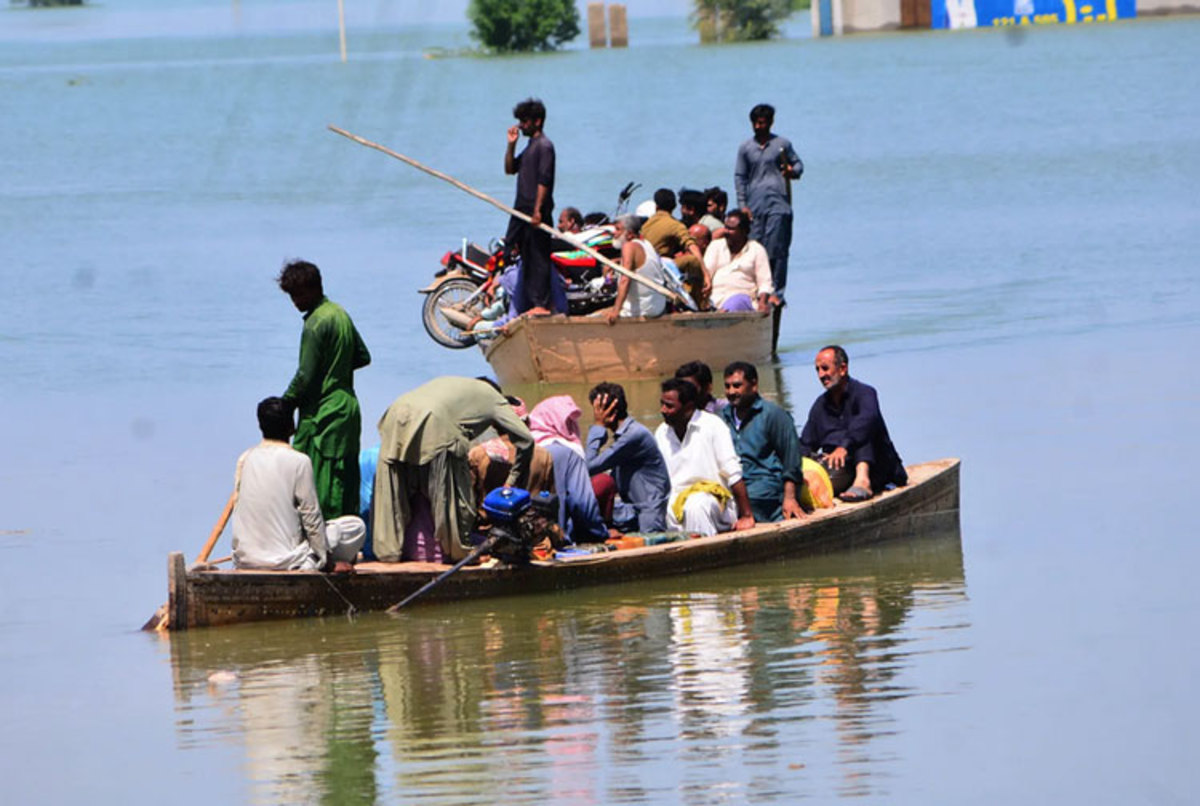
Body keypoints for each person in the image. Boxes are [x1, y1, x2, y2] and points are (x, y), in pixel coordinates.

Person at [373, 377, 535, 562]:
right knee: (456, 495)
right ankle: (461, 554)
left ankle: (389, 552)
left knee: (394, 489)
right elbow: (526, 441)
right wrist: (512, 481)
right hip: (435, 419)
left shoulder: (462, 388)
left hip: (396, 411)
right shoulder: (495, 399)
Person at [277, 259, 371, 520]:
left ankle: (326, 543)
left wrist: (285, 404)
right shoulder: (340, 313)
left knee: (320, 477)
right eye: (291, 296)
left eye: (298, 295)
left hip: (323, 411)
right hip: (347, 405)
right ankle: (348, 538)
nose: (295, 302)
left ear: (314, 289)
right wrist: (336, 368)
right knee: (345, 475)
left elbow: (305, 376)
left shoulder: (315, 324)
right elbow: (363, 357)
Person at [231, 397, 365, 571]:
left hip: (246, 559)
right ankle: (319, 560)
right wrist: (327, 562)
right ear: (292, 427)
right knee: (355, 527)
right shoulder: (299, 461)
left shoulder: (245, 458)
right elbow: (311, 517)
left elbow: (238, 510)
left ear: (260, 426)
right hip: (290, 561)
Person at [799, 345, 908, 502]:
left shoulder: (865, 393)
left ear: (842, 369)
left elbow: (867, 419)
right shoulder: (820, 405)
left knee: (863, 430)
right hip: (839, 470)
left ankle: (863, 482)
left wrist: (844, 446)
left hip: (875, 468)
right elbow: (807, 442)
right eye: (818, 370)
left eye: (825, 368)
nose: (821, 375)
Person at [735, 104, 803, 347]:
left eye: (763, 122)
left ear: (770, 122)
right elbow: (740, 177)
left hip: (779, 204)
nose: (759, 126)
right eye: (756, 122)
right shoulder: (746, 148)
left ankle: (777, 293)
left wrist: (790, 170)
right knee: (756, 250)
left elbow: (799, 167)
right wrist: (742, 204)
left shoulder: (782, 145)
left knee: (778, 250)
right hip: (755, 207)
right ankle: (758, 292)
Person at [655, 377, 754, 536]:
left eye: (669, 406)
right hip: (675, 501)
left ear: (688, 407)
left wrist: (747, 515)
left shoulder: (713, 425)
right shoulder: (661, 432)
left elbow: (733, 472)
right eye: (662, 404)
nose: (663, 410)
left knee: (696, 506)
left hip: (713, 501)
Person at [719, 362, 806, 523]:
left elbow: (791, 459)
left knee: (753, 497)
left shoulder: (774, 415)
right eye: (727, 386)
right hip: (734, 485)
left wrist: (790, 498)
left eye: (737, 386)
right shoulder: (721, 418)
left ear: (753, 386)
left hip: (765, 487)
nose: (731, 392)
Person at [585, 382, 670, 533]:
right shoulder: (623, 436)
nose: (596, 416)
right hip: (632, 513)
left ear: (611, 411)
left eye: (598, 411)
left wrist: (598, 427)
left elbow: (589, 466)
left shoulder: (634, 435)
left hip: (649, 516)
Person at [529, 396, 609, 544]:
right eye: (570, 422)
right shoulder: (568, 453)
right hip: (557, 540)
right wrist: (601, 533)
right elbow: (583, 504)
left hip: (527, 537)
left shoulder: (525, 449)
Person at [504, 97, 556, 316]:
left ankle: (541, 304)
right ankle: (520, 301)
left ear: (538, 121)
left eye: (525, 121)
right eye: (520, 121)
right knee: (511, 249)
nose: (521, 125)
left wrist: (538, 211)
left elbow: (544, 180)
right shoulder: (529, 147)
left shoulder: (545, 146)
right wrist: (511, 144)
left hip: (536, 212)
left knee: (538, 257)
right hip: (520, 210)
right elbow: (509, 169)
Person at [641, 188, 708, 307]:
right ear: (674, 207)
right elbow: (692, 246)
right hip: (660, 267)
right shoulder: (675, 225)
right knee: (692, 261)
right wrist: (706, 274)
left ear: (656, 207)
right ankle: (700, 303)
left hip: (645, 266)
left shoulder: (646, 225)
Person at [703, 208, 776, 313]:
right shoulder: (716, 246)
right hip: (715, 300)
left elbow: (765, 282)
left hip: (743, 299)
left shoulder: (756, 250)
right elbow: (706, 274)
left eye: (731, 229)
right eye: (726, 228)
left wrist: (763, 302)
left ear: (744, 231)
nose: (726, 232)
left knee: (736, 302)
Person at [605, 214, 669, 324]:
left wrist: (616, 311)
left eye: (618, 229)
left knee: (596, 315)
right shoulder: (647, 244)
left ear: (629, 234)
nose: (614, 233)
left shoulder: (629, 246)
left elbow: (625, 280)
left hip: (642, 310)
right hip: (657, 307)